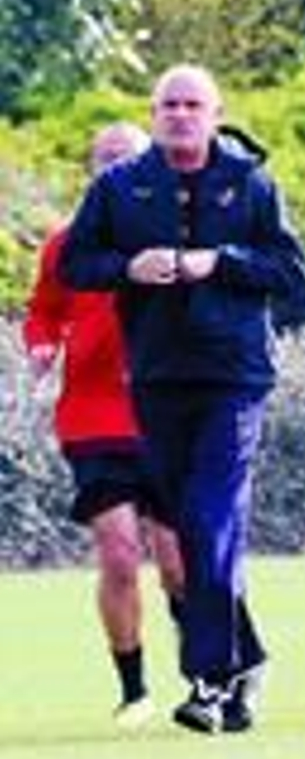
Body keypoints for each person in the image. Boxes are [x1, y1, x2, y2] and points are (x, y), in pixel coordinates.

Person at [62, 66, 305, 734]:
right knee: (192, 528)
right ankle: (246, 662)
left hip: (234, 377)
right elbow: (73, 262)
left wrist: (219, 261)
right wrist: (126, 267)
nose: (179, 114)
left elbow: (290, 270)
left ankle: (208, 678)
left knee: (204, 519)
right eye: (168, 104)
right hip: (158, 378)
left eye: (192, 104)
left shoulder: (250, 182)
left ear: (215, 111)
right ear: (152, 113)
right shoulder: (120, 187)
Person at [24, 122, 186, 728]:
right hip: (92, 419)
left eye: (127, 161)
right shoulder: (66, 245)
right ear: (93, 172)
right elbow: (42, 312)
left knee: (178, 564)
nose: (114, 171)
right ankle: (134, 689)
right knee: (119, 557)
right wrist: (41, 348)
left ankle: (202, 674)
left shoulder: (175, 242)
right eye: (105, 162)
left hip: (163, 415)